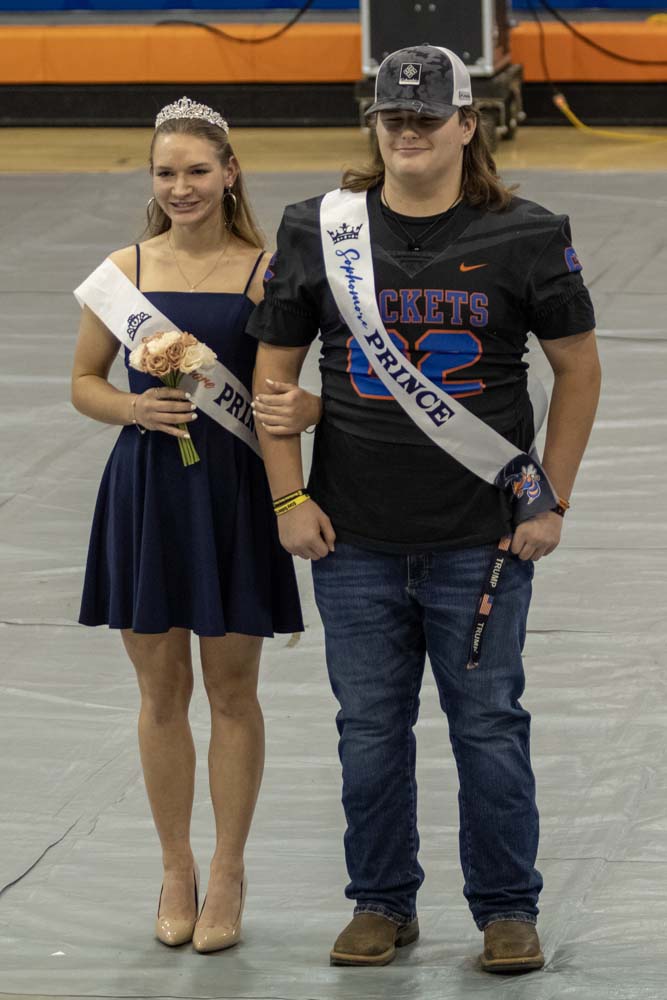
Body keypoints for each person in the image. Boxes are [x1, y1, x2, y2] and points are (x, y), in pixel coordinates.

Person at [249, 46, 601, 972]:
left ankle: (506, 910)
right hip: (351, 537)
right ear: (373, 124)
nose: (407, 131)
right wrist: (288, 494)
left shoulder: (527, 233)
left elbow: (577, 369)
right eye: (392, 117)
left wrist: (551, 498)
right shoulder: (315, 229)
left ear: (466, 123)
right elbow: (272, 379)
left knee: (488, 727)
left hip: (481, 539)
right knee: (367, 731)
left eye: (425, 117)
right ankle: (380, 901)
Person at [70, 98, 319, 953]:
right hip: (148, 490)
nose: (182, 187)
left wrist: (307, 411)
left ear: (230, 173)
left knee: (232, 692)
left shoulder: (267, 273)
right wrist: (133, 407)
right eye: (166, 172)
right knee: (160, 692)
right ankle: (175, 867)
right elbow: (84, 382)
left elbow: (292, 389)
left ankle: (228, 871)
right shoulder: (122, 271)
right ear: (152, 179)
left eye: (198, 171)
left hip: (234, 491)